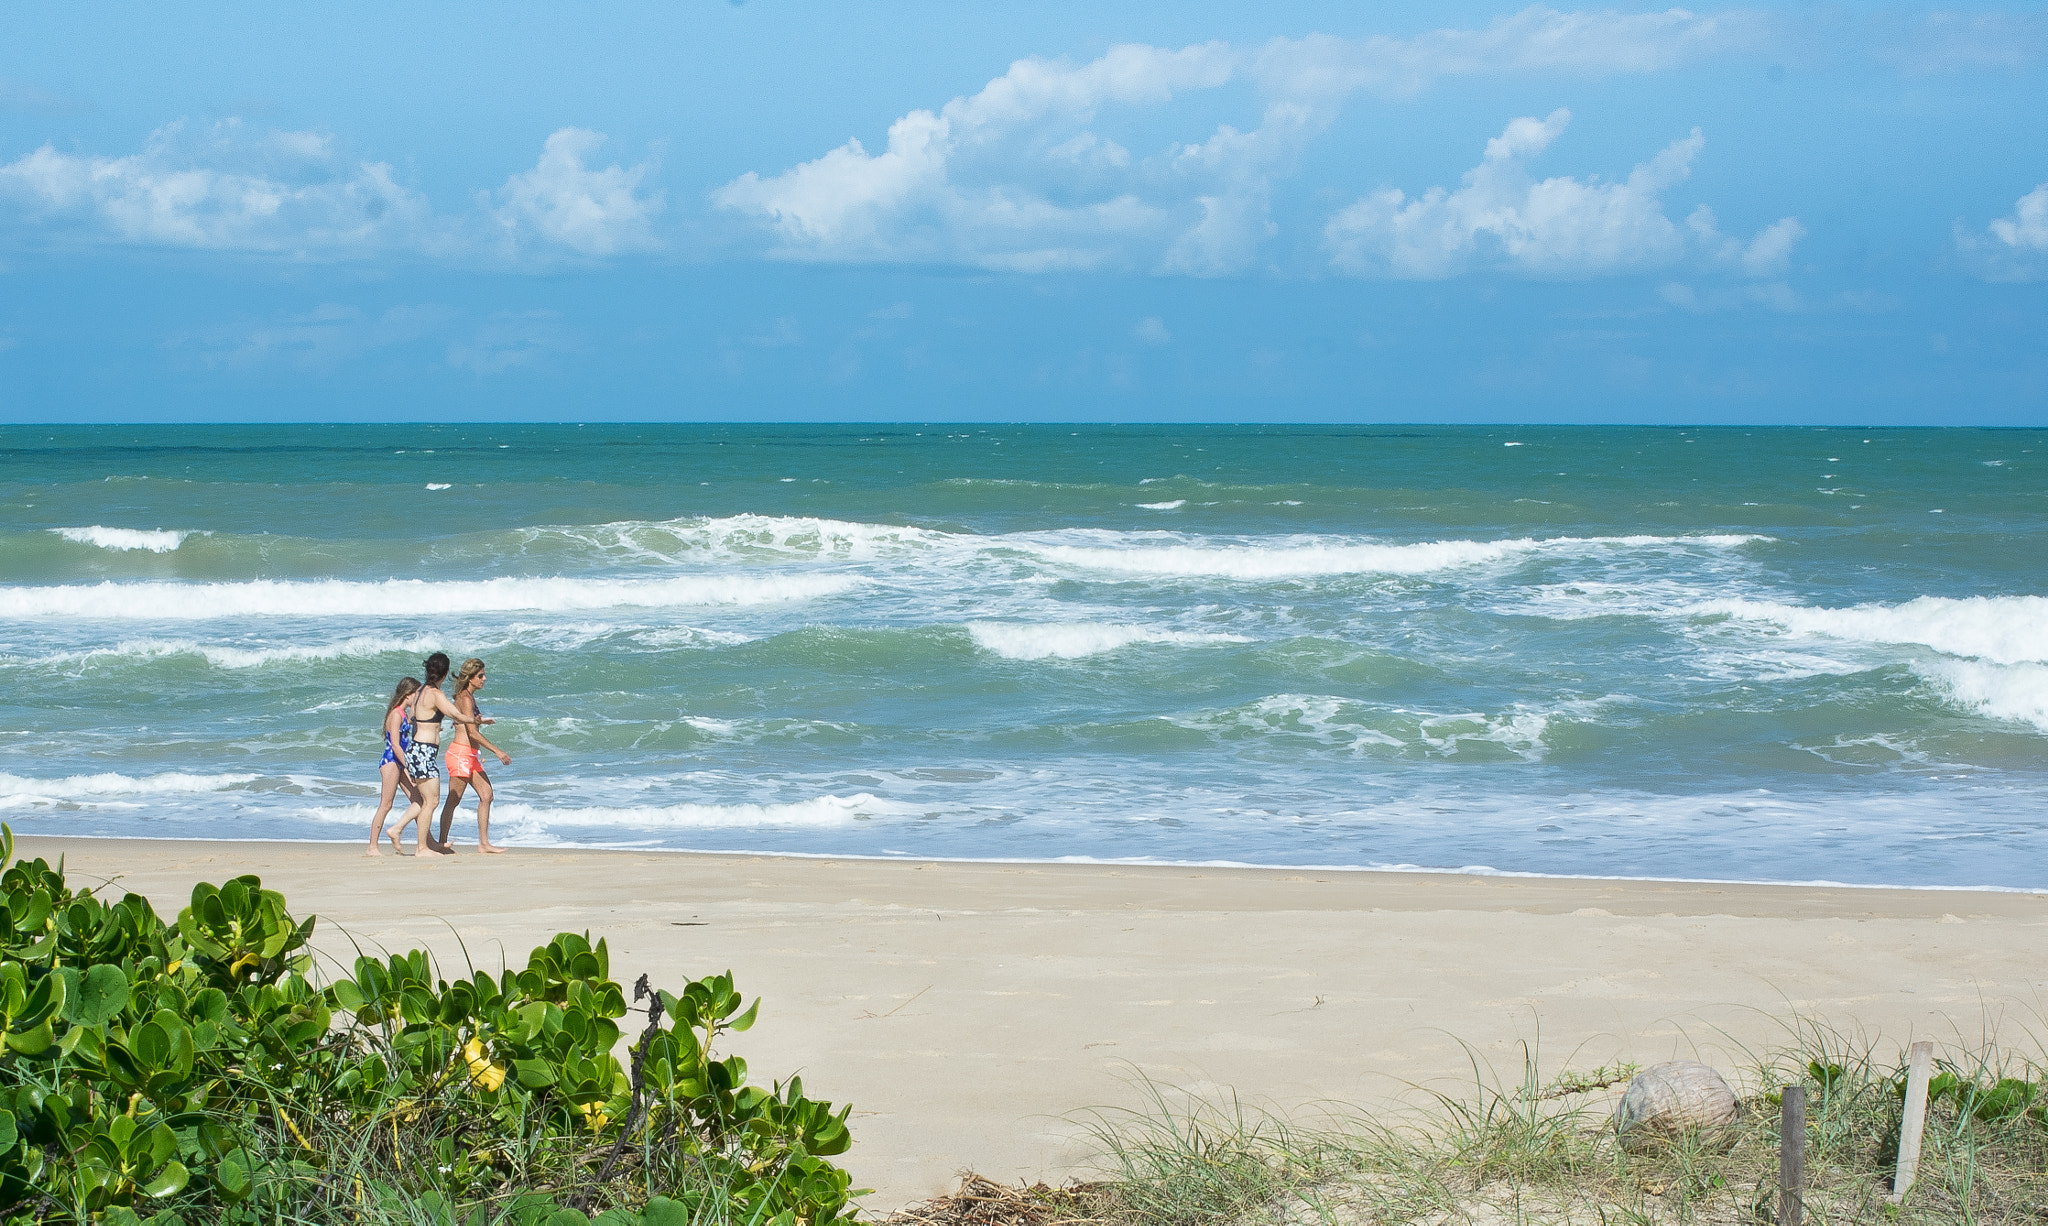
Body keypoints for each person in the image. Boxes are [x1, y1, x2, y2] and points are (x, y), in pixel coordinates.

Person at [406, 652, 493, 856]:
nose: (484, 679)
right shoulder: (436, 694)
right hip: (427, 750)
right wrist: (477, 721)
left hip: (418, 749)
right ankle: (422, 847)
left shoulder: (419, 692)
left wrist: (429, 725)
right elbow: (454, 714)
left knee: (427, 801)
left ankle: (428, 843)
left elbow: (411, 718)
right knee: (432, 801)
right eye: (480, 675)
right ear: (444, 673)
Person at [437, 657, 512, 854]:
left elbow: (469, 723)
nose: (484, 679)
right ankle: (441, 843)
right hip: (461, 755)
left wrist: (481, 721)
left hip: (470, 755)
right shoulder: (465, 698)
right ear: (470, 678)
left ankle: (484, 843)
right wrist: (497, 751)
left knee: (486, 795)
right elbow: (471, 732)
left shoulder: (469, 697)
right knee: (453, 800)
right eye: (480, 676)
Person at [366, 677, 423, 856]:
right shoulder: (396, 714)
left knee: (419, 801)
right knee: (386, 804)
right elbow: (396, 745)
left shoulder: (404, 714)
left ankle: (427, 843)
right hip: (391, 761)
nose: (418, 698)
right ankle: (372, 847)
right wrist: (408, 766)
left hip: (399, 762)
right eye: (416, 694)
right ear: (408, 694)